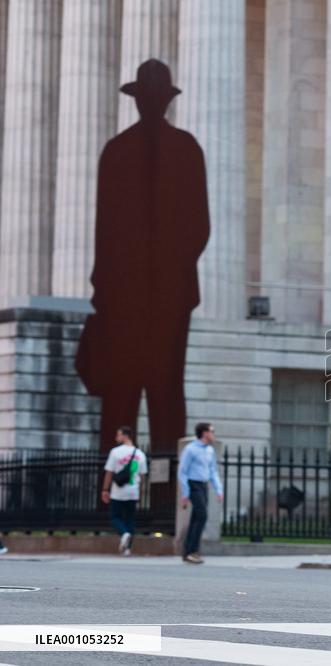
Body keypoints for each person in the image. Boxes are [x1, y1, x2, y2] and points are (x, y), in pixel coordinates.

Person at [75, 59, 209, 459]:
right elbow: (199, 227)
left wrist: (106, 287)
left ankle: (115, 482)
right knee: (166, 394)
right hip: (168, 295)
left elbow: (105, 233)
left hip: (126, 297)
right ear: (166, 100)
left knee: (123, 394)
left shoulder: (117, 151)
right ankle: (165, 488)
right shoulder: (185, 149)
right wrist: (175, 270)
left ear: (138, 100)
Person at [178, 422, 224, 564]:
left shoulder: (209, 450)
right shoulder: (190, 449)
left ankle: (188, 551)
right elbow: (183, 471)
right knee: (202, 515)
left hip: (203, 485)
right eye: (212, 431)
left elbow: (213, 471)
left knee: (196, 518)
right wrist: (185, 493)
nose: (213, 434)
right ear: (204, 433)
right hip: (193, 484)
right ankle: (192, 550)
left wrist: (218, 489)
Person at [101, 426, 148, 556]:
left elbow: (109, 472)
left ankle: (124, 533)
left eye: (119, 435)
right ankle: (127, 549)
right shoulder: (140, 454)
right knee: (130, 519)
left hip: (118, 491)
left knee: (115, 517)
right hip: (133, 490)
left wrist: (105, 489)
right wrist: (141, 492)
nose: (117, 438)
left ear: (125, 436)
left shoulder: (115, 452)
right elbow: (143, 476)